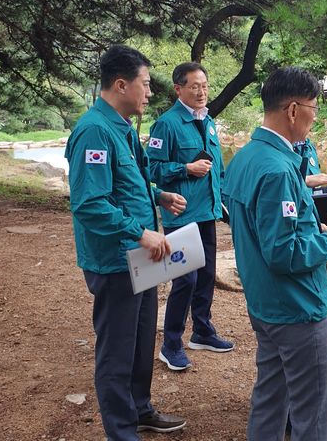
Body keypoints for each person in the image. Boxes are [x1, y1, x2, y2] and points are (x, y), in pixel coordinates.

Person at [222, 66, 327, 441]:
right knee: (313, 414)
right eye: (315, 109)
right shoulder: (279, 170)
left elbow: (257, 225)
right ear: (293, 110)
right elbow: (283, 253)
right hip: (296, 308)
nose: (316, 118)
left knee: (270, 396)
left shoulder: (244, 158)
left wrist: (313, 226)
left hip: (263, 303)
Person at [65, 44, 188, 440]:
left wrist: (158, 195)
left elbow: (126, 181)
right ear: (121, 85)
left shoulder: (121, 127)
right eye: (145, 84)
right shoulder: (94, 131)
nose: (150, 93)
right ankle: (121, 431)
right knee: (117, 350)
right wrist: (139, 231)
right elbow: (89, 203)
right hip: (115, 261)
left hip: (140, 258)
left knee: (138, 342)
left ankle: (140, 409)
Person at [147, 62, 234, 371]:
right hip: (180, 215)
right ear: (178, 89)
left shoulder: (208, 122)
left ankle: (202, 330)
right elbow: (151, 170)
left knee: (207, 275)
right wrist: (184, 168)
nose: (201, 91)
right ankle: (171, 344)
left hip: (207, 213)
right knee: (185, 279)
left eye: (205, 86)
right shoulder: (166, 125)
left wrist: (223, 201)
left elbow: (218, 169)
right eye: (194, 86)